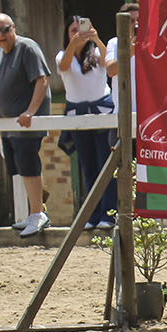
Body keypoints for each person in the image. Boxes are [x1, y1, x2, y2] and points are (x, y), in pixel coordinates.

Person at [0, 13, 52, 237]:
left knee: (28, 165)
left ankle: (38, 214)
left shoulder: (28, 48)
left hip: (24, 123)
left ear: (13, 28)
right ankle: (35, 212)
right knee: (19, 168)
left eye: (4, 29)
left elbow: (42, 79)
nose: (1, 35)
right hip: (7, 124)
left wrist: (30, 111)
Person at [55, 15, 118, 229]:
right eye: (73, 30)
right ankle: (92, 214)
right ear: (67, 35)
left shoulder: (97, 53)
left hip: (102, 113)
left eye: (80, 29)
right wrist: (74, 43)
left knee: (106, 166)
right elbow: (64, 66)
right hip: (78, 117)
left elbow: (108, 65)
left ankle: (108, 214)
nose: (78, 33)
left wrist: (96, 38)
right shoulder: (63, 55)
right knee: (88, 167)